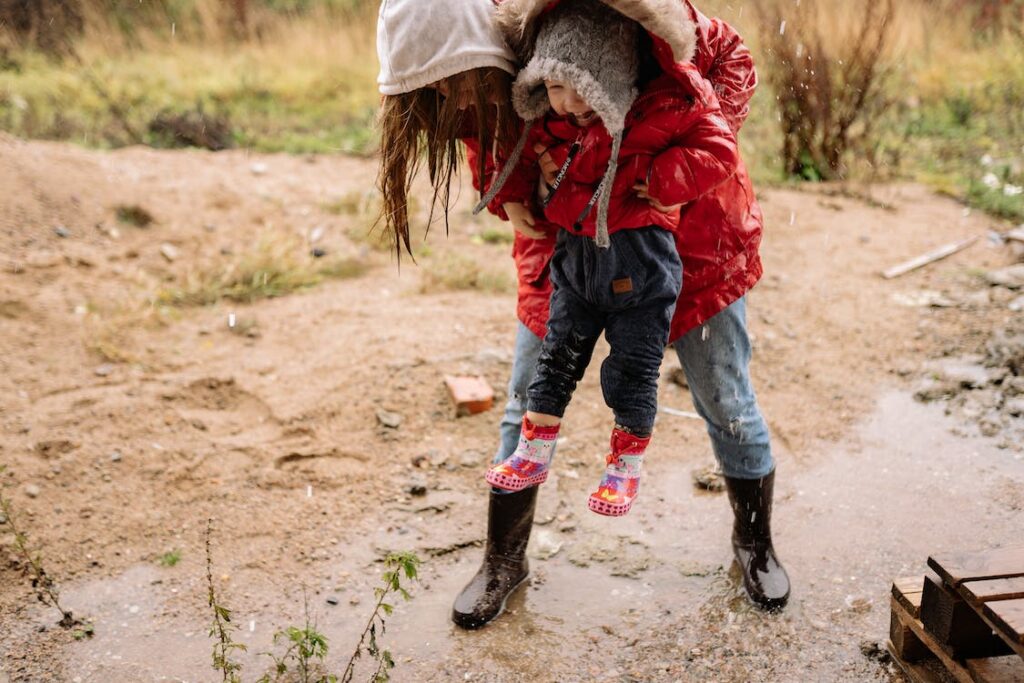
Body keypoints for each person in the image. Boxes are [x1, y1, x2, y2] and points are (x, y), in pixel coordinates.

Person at [375, 0, 790, 630]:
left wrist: (680, 169)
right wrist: (511, 191)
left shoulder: (659, 22)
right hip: (565, 247)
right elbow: (487, 137)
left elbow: (731, 65)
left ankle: (754, 544)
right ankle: (502, 560)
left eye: (455, 89)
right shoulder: (501, 49)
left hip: (690, 243)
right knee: (526, 396)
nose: (454, 101)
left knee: (725, 397)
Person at [472, 0, 738, 522]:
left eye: (582, 87)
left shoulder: (664, 112)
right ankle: (532, 453)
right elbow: (508, 154)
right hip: (575, 270)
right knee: (553, 365)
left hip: (641, 272)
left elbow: (719, 149)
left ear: (613, 76)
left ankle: (625, 466)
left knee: (631, 373)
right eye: (551, 87)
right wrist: (512, 195)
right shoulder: (551, 124)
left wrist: (667, 179)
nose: (567, 103)